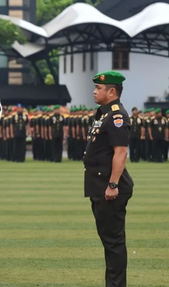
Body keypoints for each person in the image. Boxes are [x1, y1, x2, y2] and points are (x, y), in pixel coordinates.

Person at [84, 71, 134, 287]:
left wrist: (113, 185)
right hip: (99, 185)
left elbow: (120, 152)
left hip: (110, 188)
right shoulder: (103, 114)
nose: (95, 92)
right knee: (109, 242)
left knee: (113, 243)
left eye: (99, 88)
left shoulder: (116, 116)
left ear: (112, 91)